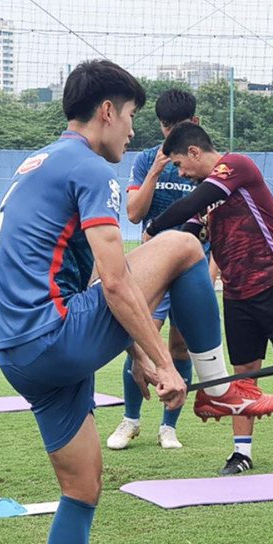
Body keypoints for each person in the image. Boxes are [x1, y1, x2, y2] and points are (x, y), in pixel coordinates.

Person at [0, 60, 273, 544]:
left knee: (83, 487)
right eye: (132, 119)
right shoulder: (91, 167)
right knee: (182, 244)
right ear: (107, 112)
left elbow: (90, 278)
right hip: (54, 337)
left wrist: (140, 351)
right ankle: (217, 385)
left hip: (18, 353)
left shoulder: (36, 162)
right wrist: (164, 365)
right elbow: (117, 284)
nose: (132, 136)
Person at [147, 121, 273, 475]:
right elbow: (189, 237)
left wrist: (152, 230)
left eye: (181, 164)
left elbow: (193, 202)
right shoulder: (204, 195)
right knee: (243, 377)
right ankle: (241, 453)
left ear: (195, 152)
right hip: (237, 293)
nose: (182, 173)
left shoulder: (236, 166)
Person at [109, 87, 205, 451]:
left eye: (178, 126)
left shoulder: (204, 162)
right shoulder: (146, 159)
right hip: (152, 270)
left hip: (192, 270)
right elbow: (134, 213)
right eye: (166, 127)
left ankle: (168, 427)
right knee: (140, 340)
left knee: (180, 349)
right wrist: (155, 171)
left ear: (194, 124)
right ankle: (130, 420)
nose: (171, 134)